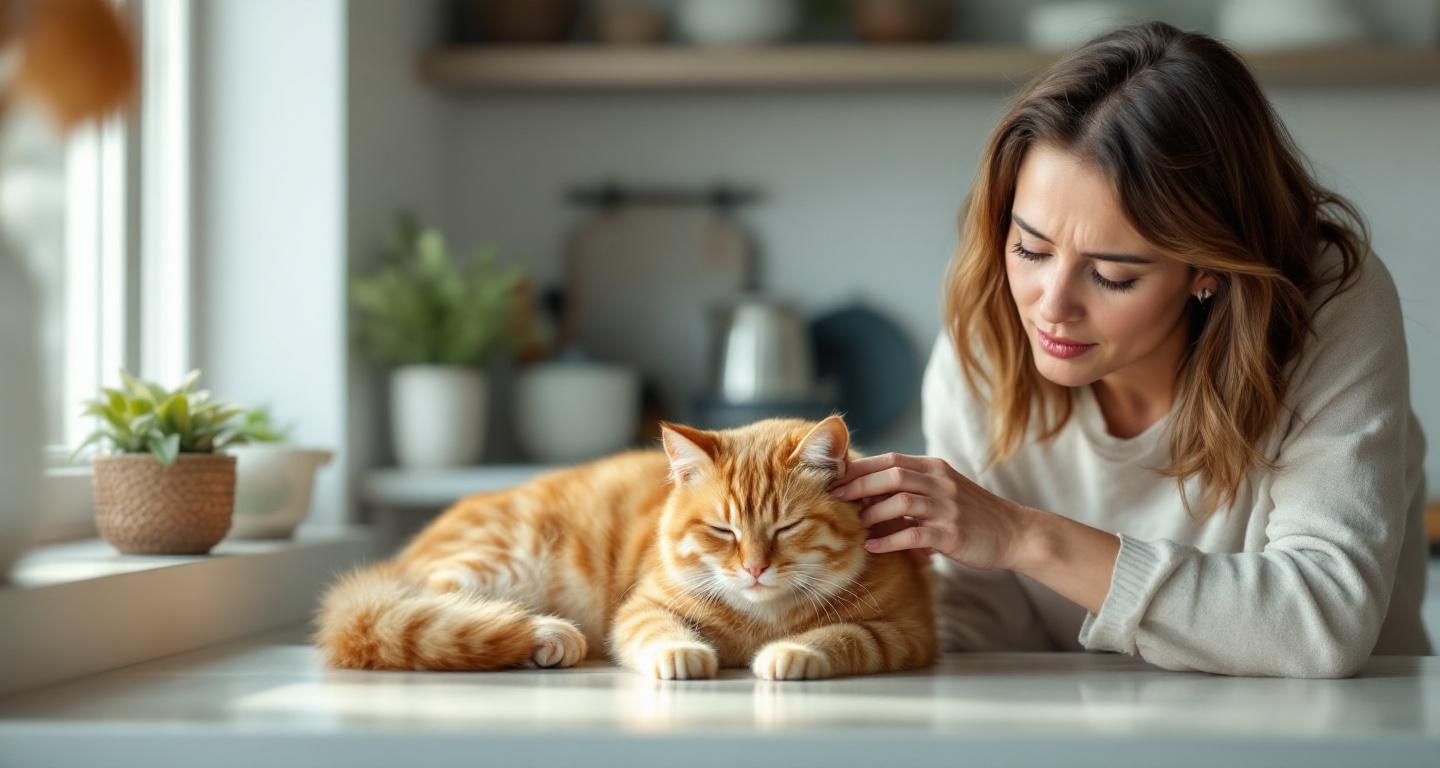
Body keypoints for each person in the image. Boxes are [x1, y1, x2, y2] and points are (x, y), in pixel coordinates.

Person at [827, 20, 1430, 678]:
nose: (1050, 305)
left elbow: (1323, 621)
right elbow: (985, 628)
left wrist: (1024, 536)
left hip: (1345, 724)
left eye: (1113, 274)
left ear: (1209, 268)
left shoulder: (1329, 303)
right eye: (1030, 248)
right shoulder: (988, 329)